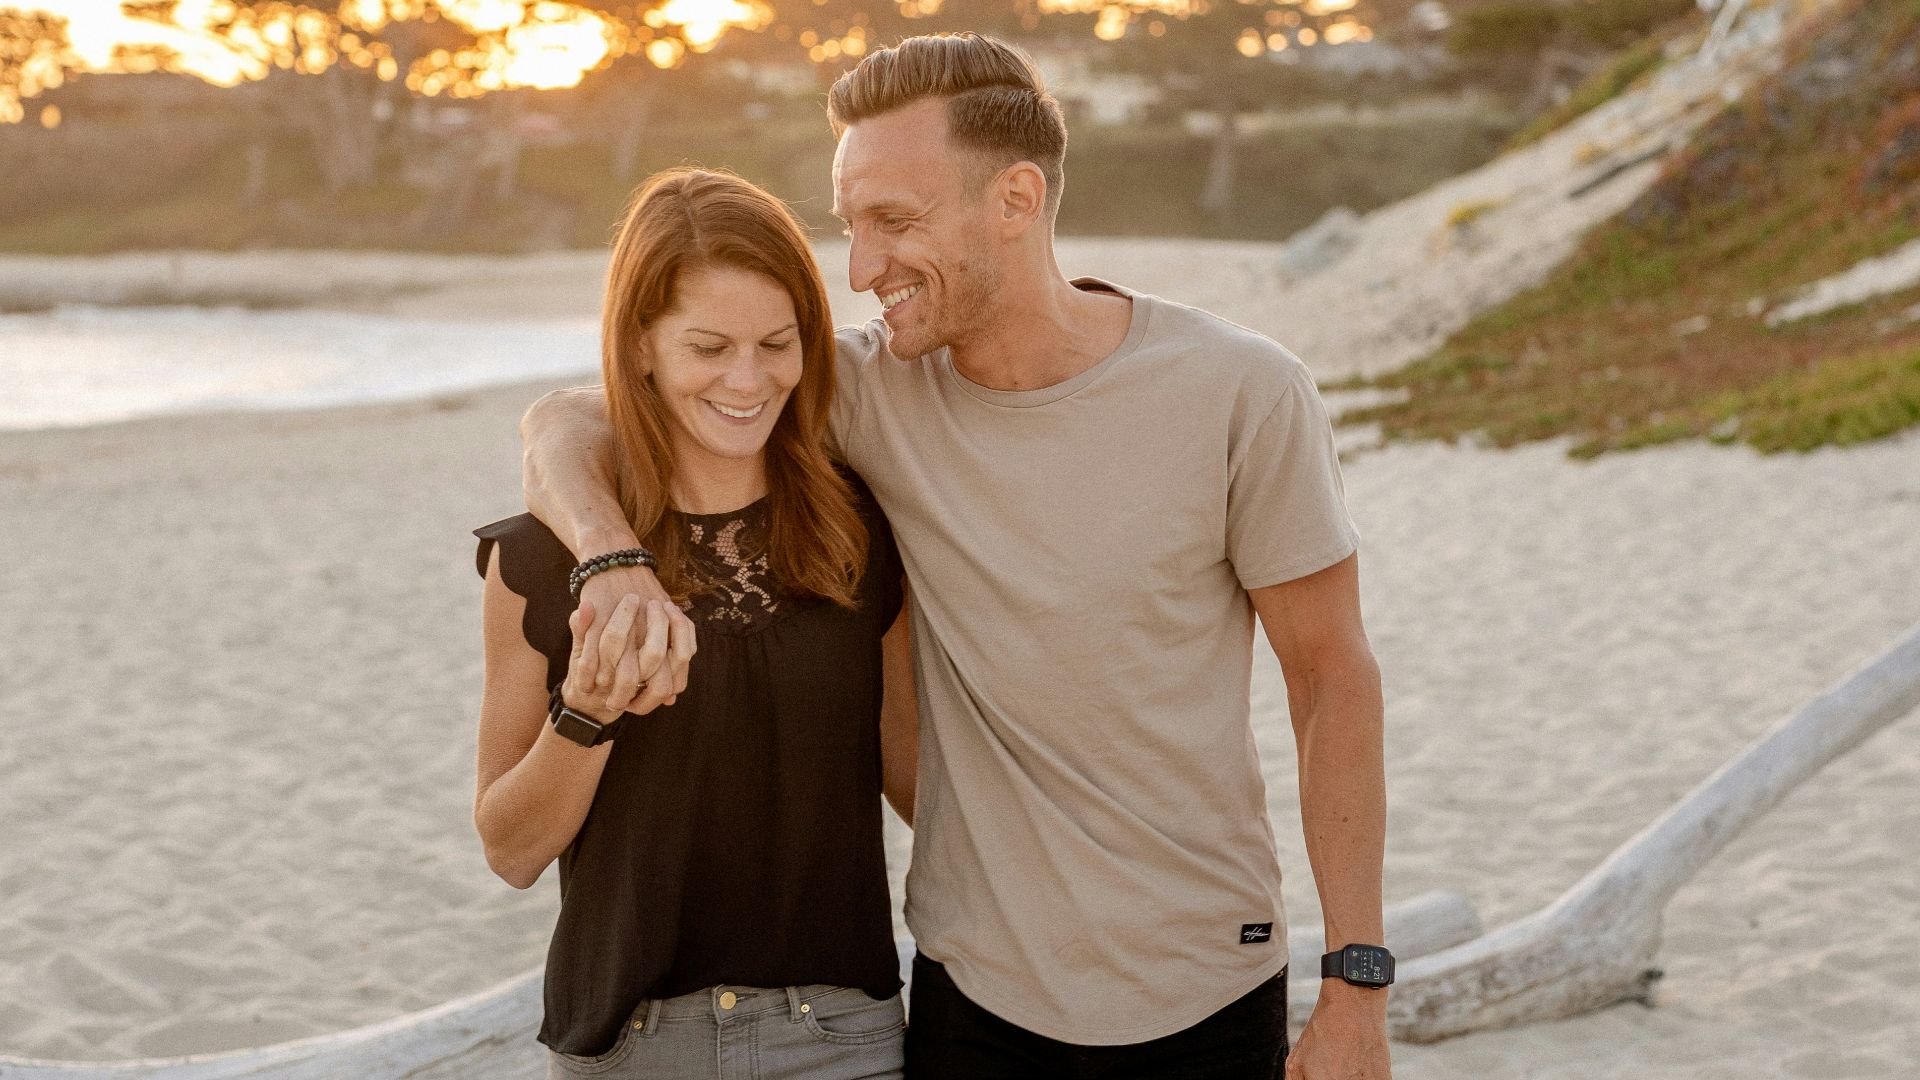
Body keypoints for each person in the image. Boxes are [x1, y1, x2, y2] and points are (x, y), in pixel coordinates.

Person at [520, 34, 1391, 1080]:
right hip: (974, 991)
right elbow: (571, 420)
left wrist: (1355, 982)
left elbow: (1332, 681)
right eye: (852, 226)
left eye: (895, 221)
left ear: (1015, 200)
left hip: (1209, 974)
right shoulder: (863, 394)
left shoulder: (1243, 393)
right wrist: (609, 558)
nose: (862, 268)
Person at [472, 167, 919, 1080]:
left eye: (777, 343)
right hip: (628, 1049)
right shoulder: (539, 563)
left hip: (842, 1040)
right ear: (641, 346)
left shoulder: (861, 536)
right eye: (709, 346)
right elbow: (510, 850)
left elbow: (923, 789)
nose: (749, 380)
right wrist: (587, 712)